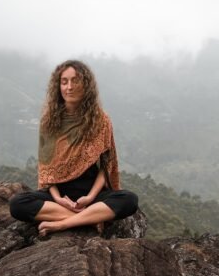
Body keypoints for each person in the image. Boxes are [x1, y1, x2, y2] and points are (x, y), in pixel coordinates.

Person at [9, 59, 138, 236]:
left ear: (86, 86)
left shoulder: (101, 121)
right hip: (60, 195)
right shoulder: (49, 122)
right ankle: (89, 220)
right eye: (64, 82)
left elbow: (106, 165)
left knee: (129, 200)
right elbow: (47, 170)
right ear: (58, 86)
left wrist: (91, 197)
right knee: (17, 204)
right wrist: (59, 199)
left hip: (91, 194)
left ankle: (62, 224)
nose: (69, 87)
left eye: (75, 81)